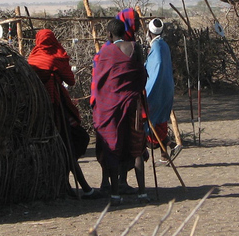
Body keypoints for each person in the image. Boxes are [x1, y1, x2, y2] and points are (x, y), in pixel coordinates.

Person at [28, 29, 101, 199]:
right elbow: (70, 80)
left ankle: (66, 184)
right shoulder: (56, 57)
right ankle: (84, 188)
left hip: (38, 109)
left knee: (59, 144)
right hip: (57, 107)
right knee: (71, 143)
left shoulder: (32, 58)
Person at [91, 19, 149, 205]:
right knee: (137, 148)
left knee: (113, 147)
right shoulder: (135, 47)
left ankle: (115, 195)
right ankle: (142, 193)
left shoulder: (104, 53)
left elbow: (100, 83)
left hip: (110, 108)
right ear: (125, 32)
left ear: (109, 35)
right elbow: (142, 75)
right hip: (133, 105)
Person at [144, 18, 178, 164]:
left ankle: (163, 147)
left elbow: (154, 71)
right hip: (166, 89)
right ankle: (166, 151)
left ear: (148, 33)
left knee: (150, 121)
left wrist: (146, 91)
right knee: (160, 121)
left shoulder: (157, 48)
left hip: (156, 90)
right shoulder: (163, 45)